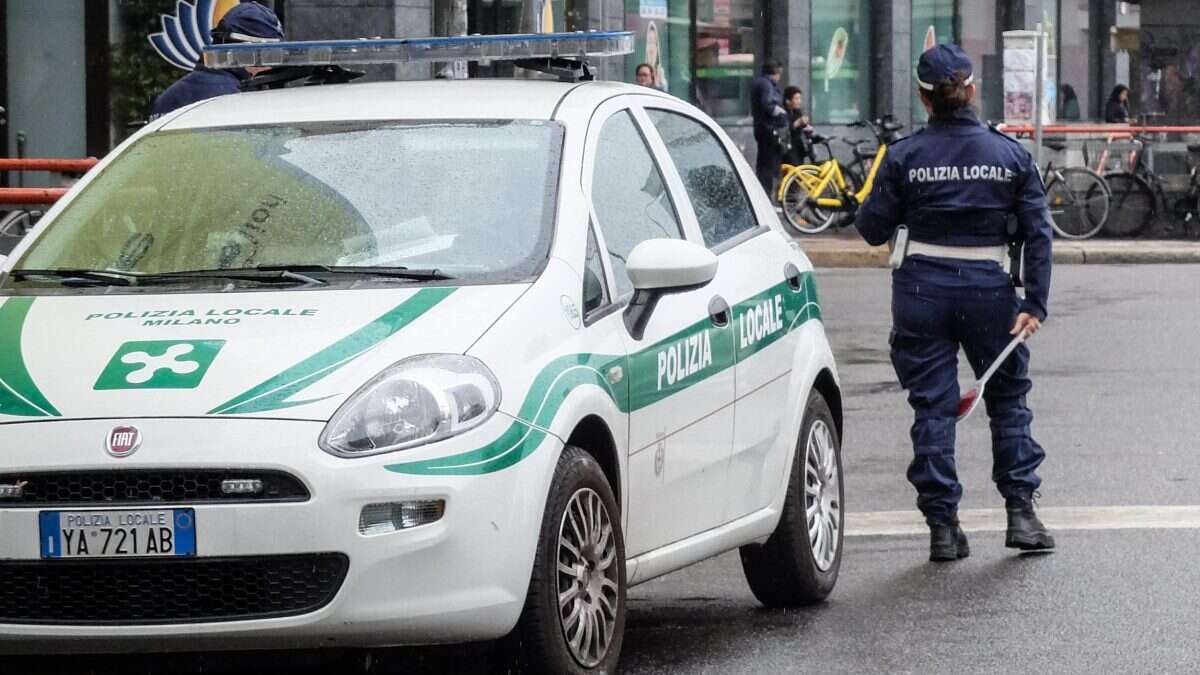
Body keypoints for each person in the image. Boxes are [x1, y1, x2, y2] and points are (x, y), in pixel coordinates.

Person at [854, 44, 1056, 562]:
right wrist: (1035, 301)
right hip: (991, 292)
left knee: (933, 408)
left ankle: (943, 528)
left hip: (921, 292)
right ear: (970, 90)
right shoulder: (1009, 154)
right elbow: (1038, 233)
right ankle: (1022, 516)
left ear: (924, 99)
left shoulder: (904, 156)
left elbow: (872, 230)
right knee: (1007, 401)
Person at [150, 2, 285, 119]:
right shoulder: (235, 100)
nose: (270, 66)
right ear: (247, 53)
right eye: (270, 55)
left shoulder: (170, 96)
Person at [750, 60, 788, 196]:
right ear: (775, 73)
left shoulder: (758, 82)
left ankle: (762, 193)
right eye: (779, 74)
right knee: (768, 165)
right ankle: (766, 194)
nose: (779, 77)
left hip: (761, 127)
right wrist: (782, 112)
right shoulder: (767, 85)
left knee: (763, 164)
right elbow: (768, 104)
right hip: (769, 128)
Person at [782, 85, 813, 165]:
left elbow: (802, 129)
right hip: (787, 151)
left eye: (800, 98)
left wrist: (806, 127)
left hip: (798, 150)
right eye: (796, 98)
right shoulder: (782, 113)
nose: (799, 101)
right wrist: (797, 123)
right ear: (788, 101)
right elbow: (783, 130)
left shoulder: (797, 112)